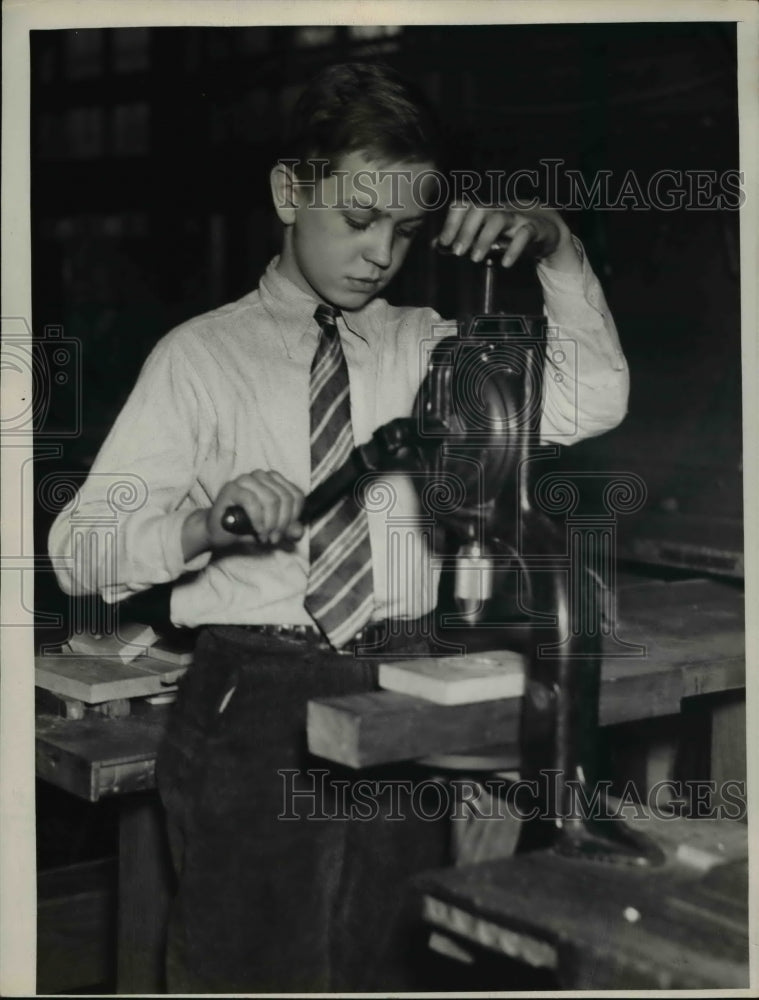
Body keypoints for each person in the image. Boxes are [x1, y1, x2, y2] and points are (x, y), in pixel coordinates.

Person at [48, 62, 629, 992]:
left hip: (403, 683)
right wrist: (205, 524)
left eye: (402, 231)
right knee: (247, 965)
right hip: (256, 700)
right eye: (357, 221)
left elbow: (593, 398)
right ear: (289, 190)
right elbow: (78, 548)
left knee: (385, 960)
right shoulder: (200, 357)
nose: (378, 254)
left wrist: (556, 247)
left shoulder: (430, 347)